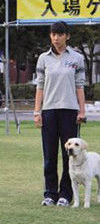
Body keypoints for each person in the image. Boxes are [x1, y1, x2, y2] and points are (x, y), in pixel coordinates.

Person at [34, 21, 86, 207]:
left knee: (68, 155)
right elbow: (40, 86)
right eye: (53, 34)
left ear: (67, 36)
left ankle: (66, 194)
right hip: (48, 110)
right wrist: (36, 112)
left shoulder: (77, 58)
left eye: (60, 34)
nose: (56, 38)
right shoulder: (43, 58)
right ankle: (50, 193)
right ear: (50, 36)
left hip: (70, 111)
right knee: (49, 155)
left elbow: (79, 85)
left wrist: (82, 110)